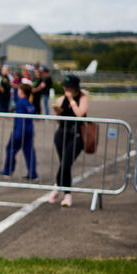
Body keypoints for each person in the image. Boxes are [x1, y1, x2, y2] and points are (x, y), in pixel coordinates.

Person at [49, 75, 89, 208]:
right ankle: (63, 192)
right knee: (63, 163)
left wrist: (72, 100)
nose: (65, 88)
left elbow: (80, 114)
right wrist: (58, 112)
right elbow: (59, 120)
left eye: (68, 86)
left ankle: (61, 190)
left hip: (77, 134)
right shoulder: (61, 99)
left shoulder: (82, 98)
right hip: (62, 133)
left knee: (66, 163)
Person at [0, 83, 38, 180]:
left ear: (21, 91)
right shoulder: (30, 103)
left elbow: (21, 119)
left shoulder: (21, 103)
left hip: (20, 131)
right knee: (29, 153)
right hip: (29, 131)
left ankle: (7, 171)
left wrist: (18, 134)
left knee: (10, 149)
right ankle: (32, 174)